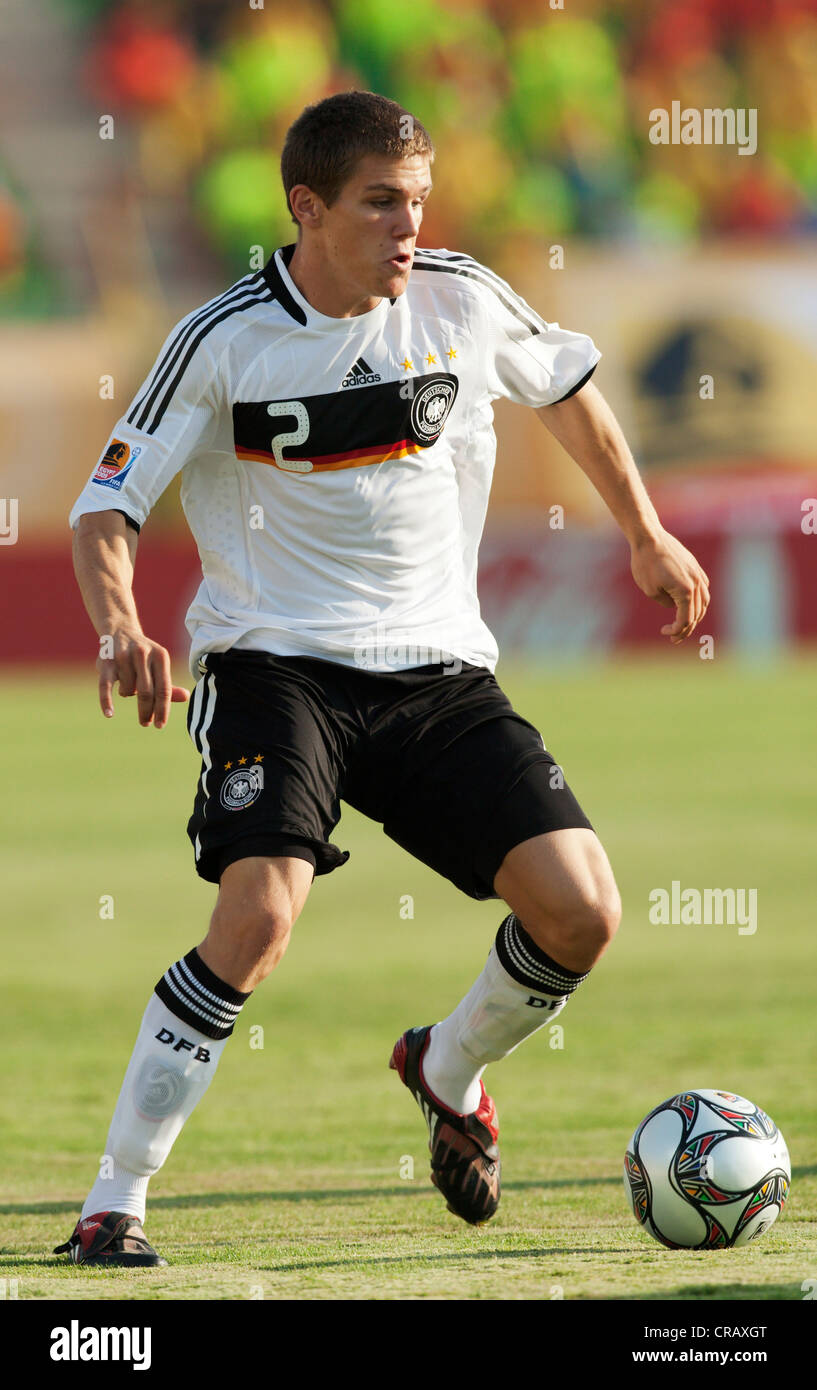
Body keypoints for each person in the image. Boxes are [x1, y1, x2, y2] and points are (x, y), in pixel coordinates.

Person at [56, 91, 709, 1267]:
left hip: (438, 677)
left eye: (418, 200)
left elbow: (566, 390)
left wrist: (644, 530)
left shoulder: (459, 296)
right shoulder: (223, 340)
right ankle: (116, 1199)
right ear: (306, 208)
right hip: (274, 667)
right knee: (257, 914)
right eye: (380, 204)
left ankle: (444, 1064)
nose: (409, 226)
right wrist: (119, 622)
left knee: (581, 912)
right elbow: (106, 503)